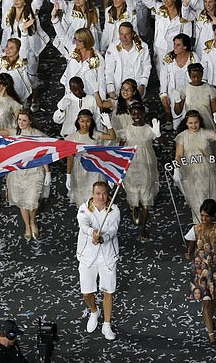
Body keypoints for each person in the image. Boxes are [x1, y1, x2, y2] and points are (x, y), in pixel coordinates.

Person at [0, 109, 50, 241]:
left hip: (34, 171)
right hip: (17, 172)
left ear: (30, 121)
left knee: (32, 200)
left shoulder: (38, 135)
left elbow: (45, 153)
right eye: (19, 120)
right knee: (21, 200)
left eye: (24, 120)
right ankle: (27, 225)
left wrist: (47, 172)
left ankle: (33, 221)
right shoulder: (14, 133)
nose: (21, 122)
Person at [77, 181, 120, 341]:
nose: (100, 197)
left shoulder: (114, 210)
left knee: (108, 292)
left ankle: (107, 324)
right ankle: (94, 312)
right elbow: (83, 225)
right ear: (92, 193)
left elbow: (113, 230)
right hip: (88, 257)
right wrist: (93, 233)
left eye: (103, 193)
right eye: (97, 193)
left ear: (108, 194)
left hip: (107, 256)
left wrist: (102, 238)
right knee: (86, 292)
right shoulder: (83, 208)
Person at [184, 199, 216, 343]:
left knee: (213, 299)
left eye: (207, 216)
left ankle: (209, 320)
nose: (204, 219)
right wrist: (188, 252)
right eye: (202, 215)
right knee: (205, 302)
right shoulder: (195, 229)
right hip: (200, 271)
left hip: (215, 270)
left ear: (212, 216)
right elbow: (191, 246)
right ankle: (211, 335)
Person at [173, 110, 216, 222]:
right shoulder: (182, 136)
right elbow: (178, 154)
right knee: (197, 200)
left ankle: (209, 224)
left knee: (208, 197)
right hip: (191, 172)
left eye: (196, 122)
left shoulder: (205, 133)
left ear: (200, 122)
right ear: (186, 123)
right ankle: (198, 225)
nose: (194, 125)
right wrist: (176, 169)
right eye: (191, 123)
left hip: (207, 170)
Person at [117, 103, 160, 242]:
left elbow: (163, 142)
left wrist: (158, 134)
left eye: (139, 114)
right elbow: (120, 148)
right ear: (130, 114)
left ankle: (143, 229)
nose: (136, 116)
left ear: (144, 114)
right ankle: (134, 206)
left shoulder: (148, 129)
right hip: (132, 164)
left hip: (147, 164)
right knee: (133, 189)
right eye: (134, 114)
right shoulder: (127, 130)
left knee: (147, 193)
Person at [65, 110, 117, 206]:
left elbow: (112, 137)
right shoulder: (71, 138)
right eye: (82, 121)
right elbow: (70, 157)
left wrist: (109, 126)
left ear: (91, 122)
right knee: (81, 197)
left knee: (95, 194)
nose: (85, 124)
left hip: (94, 168)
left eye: (88, 121)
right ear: (78, 121)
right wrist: (68, 175)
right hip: (79, 169)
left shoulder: (95, 135)